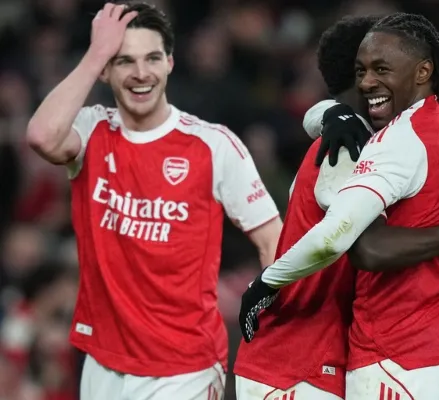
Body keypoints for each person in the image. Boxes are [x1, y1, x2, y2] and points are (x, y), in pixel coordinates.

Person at [25, 3, 282, 399]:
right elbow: (42, 136)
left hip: (185, 367)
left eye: (152, 58)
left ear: (170, 63)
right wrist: (95, 54)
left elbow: (272, 241)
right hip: (103, 359)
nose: (141, 73)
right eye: (124, 61)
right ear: (105, 70)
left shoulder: (213, 145)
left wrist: (280, 335)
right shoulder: (92, 129)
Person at [234, 15, 439, 400]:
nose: (371, 80)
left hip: (322, 357)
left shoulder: (362, 139)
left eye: (382, 67)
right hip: (295, 360)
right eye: (366, 69)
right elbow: (356, 245)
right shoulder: (346, 150)